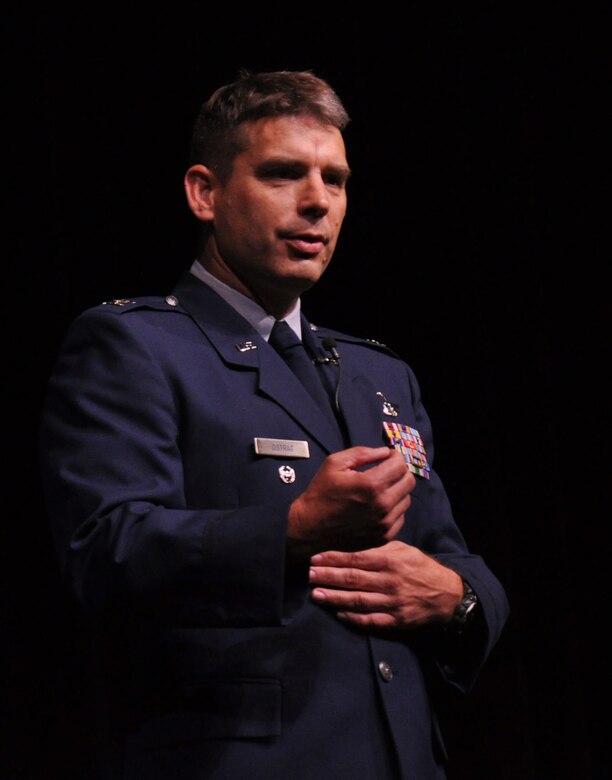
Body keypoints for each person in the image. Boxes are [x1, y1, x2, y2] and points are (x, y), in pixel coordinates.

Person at [39, 69, 509, 780]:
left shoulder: (381, 375)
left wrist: (456, 598)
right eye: (285, 174)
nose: (318, 201)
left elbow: (453, 556)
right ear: (206, 192)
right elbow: (104, 553)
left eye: (336, 179)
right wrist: (289, 531)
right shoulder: (134, 345)